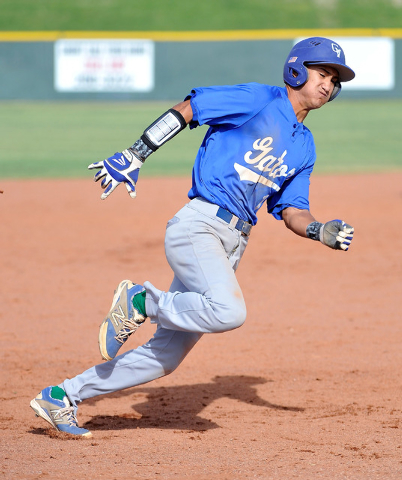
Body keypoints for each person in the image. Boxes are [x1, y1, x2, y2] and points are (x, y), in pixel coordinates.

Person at [30, 37, 355, 437]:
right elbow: (190, 108)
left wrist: (318, 230)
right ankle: (141, 300)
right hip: (198, 225)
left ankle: (62, 395)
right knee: (229, 311)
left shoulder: (305, 146)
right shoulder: (257, 99)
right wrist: (136, 153)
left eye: (335, 79)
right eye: (323, 73)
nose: (328, 84)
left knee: (164, 356)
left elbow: (291, 210)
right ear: (297, 70)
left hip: (232, 243)